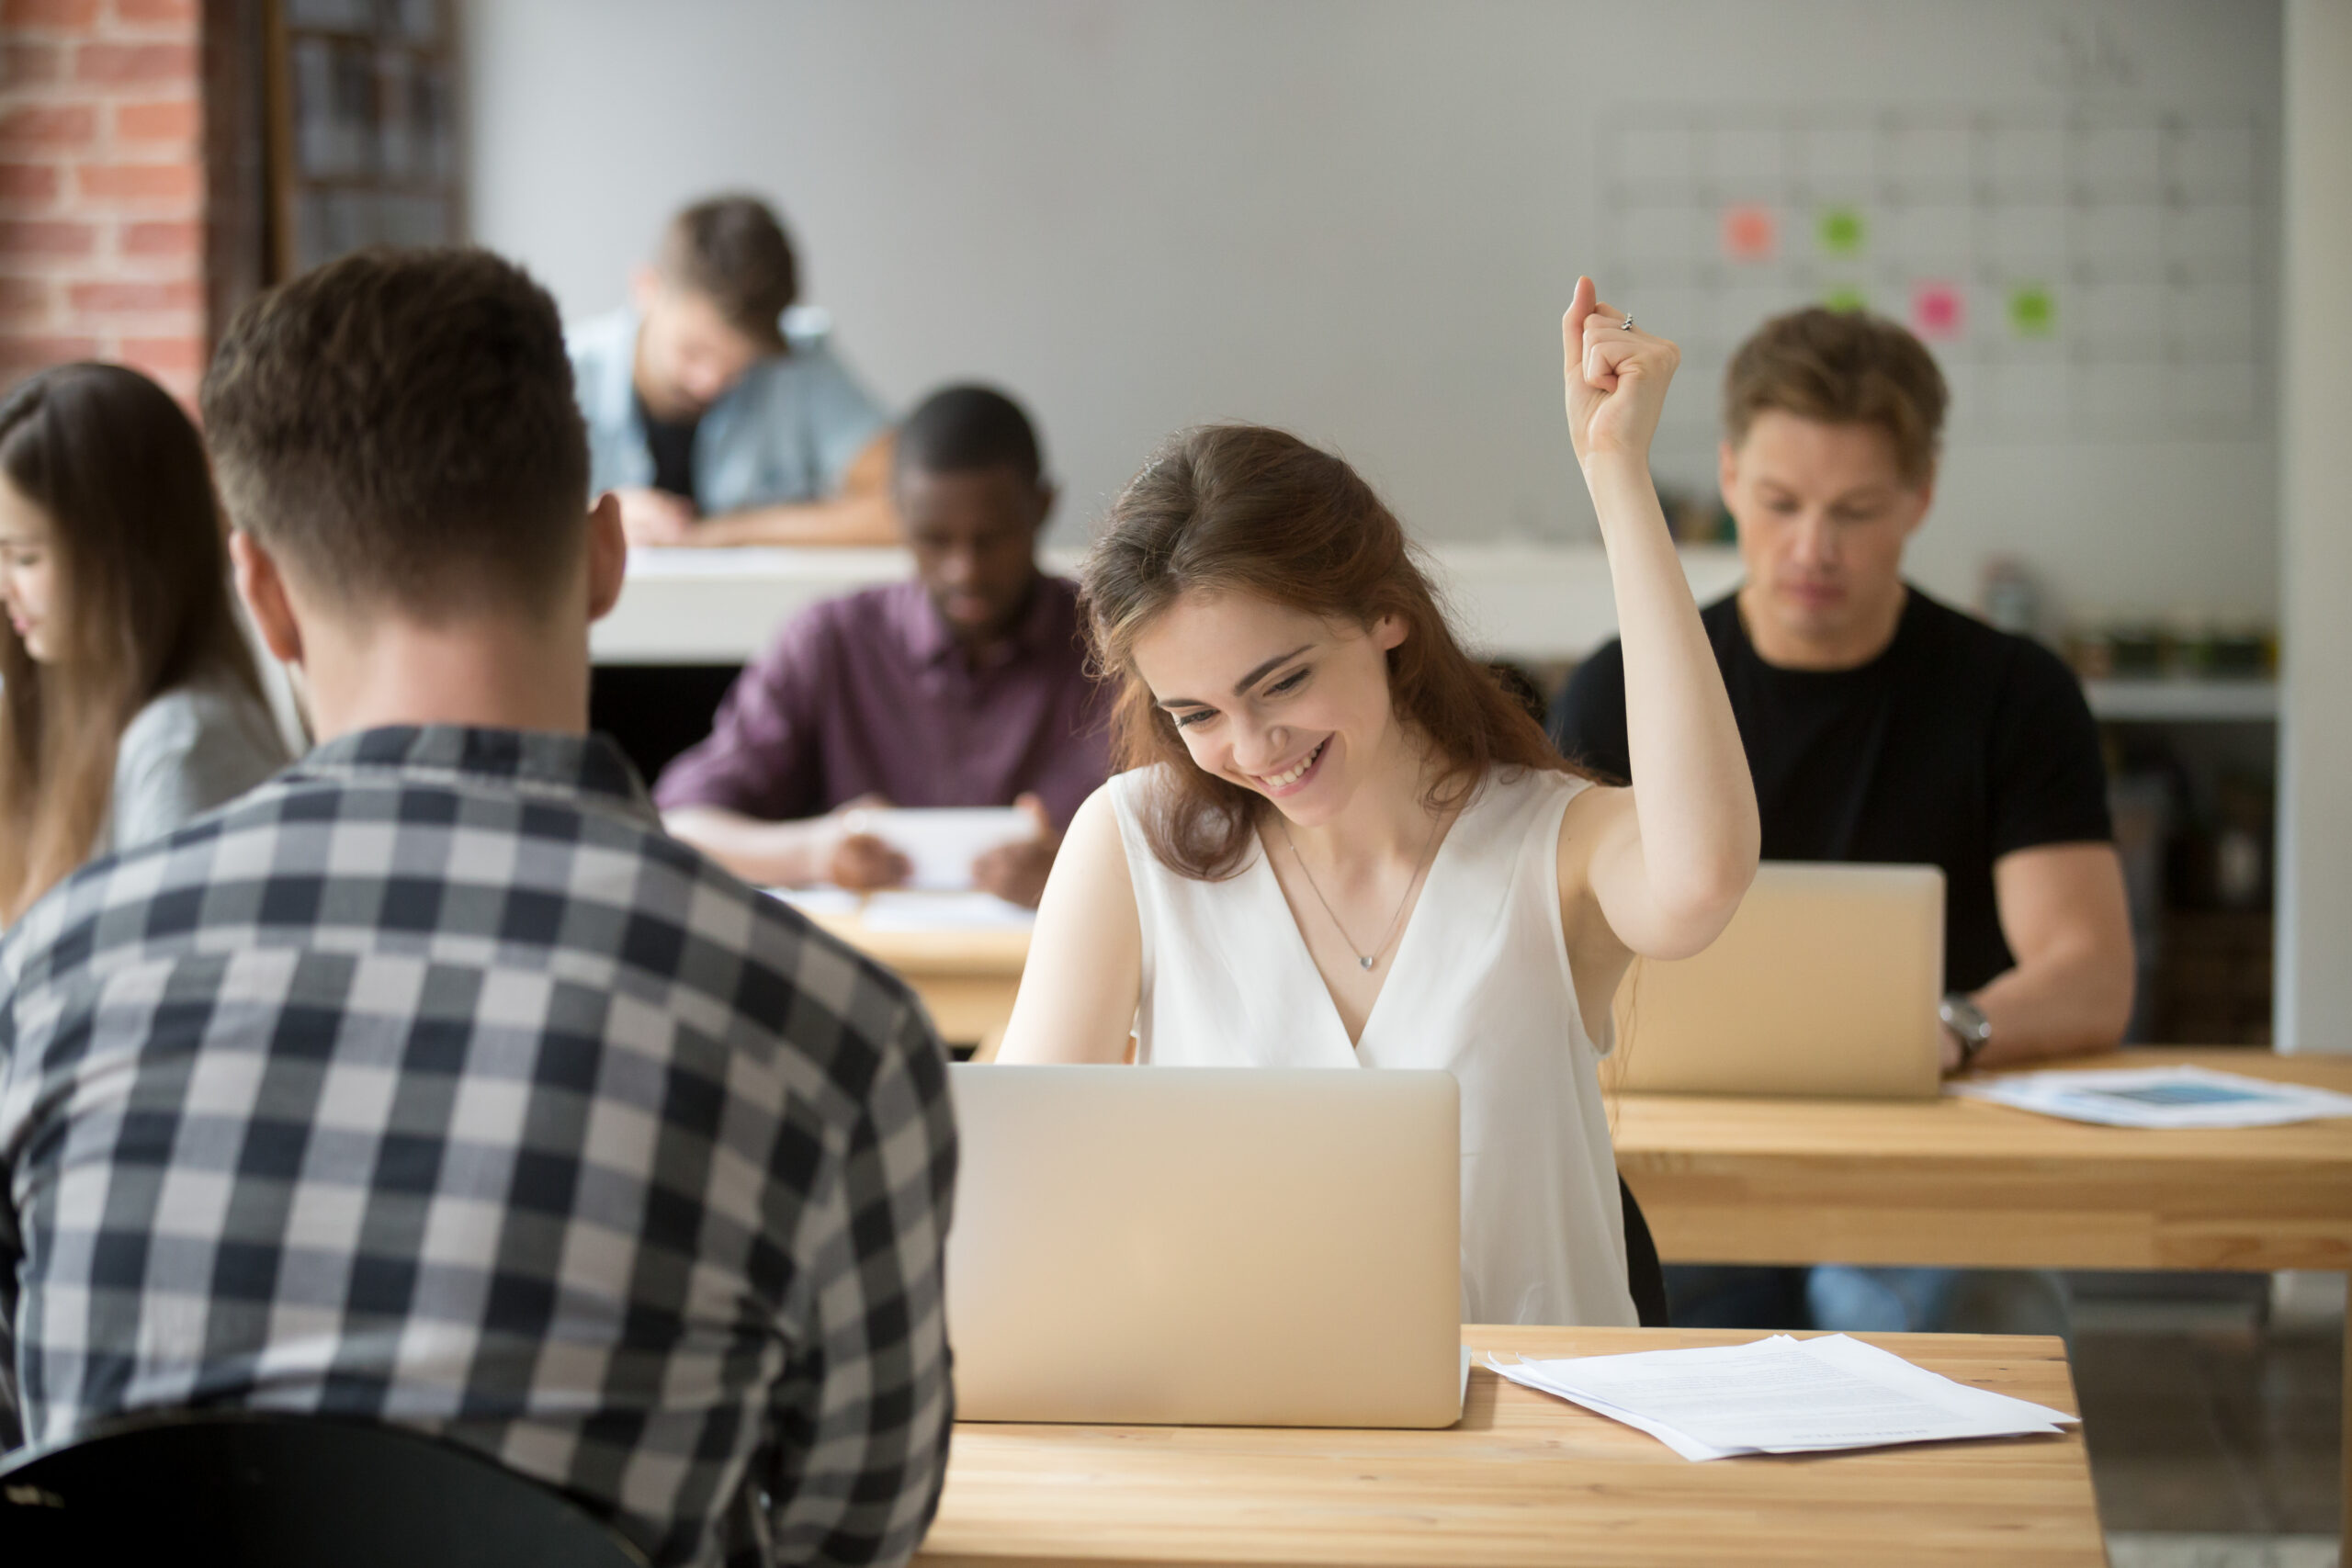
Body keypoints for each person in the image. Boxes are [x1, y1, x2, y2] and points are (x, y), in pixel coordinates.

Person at [0, 248, 955, 1568]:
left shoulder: (50, 975)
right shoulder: (835, 1036)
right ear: (606, 556)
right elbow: (855, 1536)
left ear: (263, 593)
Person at [995, 279, 1760, 1328]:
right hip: (1247, 1439)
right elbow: (1028, 1181)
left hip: (1541, 1457)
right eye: (1195, 713)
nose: (1253, 749)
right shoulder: (1132, 844)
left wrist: (1615, 475)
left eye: (1281, 683)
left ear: (1386, 616)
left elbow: (1705, 875)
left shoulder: (1552, 843)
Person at [1551, 305, 2132, 1334]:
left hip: (1927, 1158)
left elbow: (2087, 973)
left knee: (1894, 1314)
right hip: (1686, 1160)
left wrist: (1949, 1031)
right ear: (1728, 479)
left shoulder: (2013, 691)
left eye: (1856, 510)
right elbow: (1554, 954)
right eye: (1778, 502)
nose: (1812, 547)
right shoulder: (1623, 686)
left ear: (1919, 497)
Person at [657, 384, 1109, 908]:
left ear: (1042, 507)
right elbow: (682, 826)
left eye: (991, 538)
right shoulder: (829, 642)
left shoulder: (1114, 648)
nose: (964, 570)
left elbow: (1203, 835)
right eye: (934, 540)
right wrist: (811, 852)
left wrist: (1089, 874)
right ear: (898, 517)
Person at [0, 361, 289, 923]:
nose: (4, 586)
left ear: (122, 560)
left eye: (27, 557)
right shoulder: (56, 711)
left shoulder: (184, 747)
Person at [569, 194, 897, 547]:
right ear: (646, 288)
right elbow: (501, 522)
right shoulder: (560, 374)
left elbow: (907, 507)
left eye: (739, 364)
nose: (708, 383)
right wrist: (585, 522)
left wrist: (724, 532)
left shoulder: (797, 361)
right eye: (692, 351)